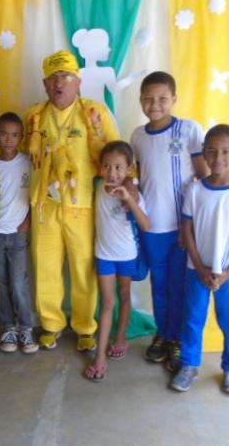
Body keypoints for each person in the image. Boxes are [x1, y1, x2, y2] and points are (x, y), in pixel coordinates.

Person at [23, 50, 120, 351]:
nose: (59, 84)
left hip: (82, 205)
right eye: (52, 79)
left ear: (78, 82)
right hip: (44, 205)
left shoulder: (95, 114)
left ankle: (85, 327)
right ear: (44, 84)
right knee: (46, 267)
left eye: (65, 77)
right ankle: (51, 324)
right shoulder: (34, 116)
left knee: (83, 268)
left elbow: (116, 154)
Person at [130, 71, 210, 371]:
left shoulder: (189, 130)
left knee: (180, 285)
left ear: (174, 100)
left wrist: (193, 225)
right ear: (140, 101)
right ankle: (162, 335)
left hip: (181, 228)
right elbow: (137, 179)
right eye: (148, 99)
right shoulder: (137, 136)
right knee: (159, 284)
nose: (155, 104)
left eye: (163, 98)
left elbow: (203, 179)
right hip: (152, 227)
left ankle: (178, 339)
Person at [170, 124, 229, 393]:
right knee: (193, 318)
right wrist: (199, 266)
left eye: (225, 152)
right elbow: (187, 229)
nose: (218, 158)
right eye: (211, 152)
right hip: (196, 269)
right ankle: (189, 364)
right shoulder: (196, 190)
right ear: (204, 154)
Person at [84, 141, 150, 381]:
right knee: (108, 303)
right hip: (104, 256)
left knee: (124, 296)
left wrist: (129, 197)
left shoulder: (133, 193)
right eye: (107, 167)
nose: (112, 173)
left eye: (119, 168)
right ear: (100, 168)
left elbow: (146, 225)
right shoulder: (98, 186)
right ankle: (100, 355)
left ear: (129, 169)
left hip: (127, 256)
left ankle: (121, 336)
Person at [0, 112, 38, 354]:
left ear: (21, 137)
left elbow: (36, 195)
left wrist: (28, 221)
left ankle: (26, 328)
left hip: (17, 234)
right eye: (3, 134)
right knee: (2, 283)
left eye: (14, 135)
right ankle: (8, 328)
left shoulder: (28, 162)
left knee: (18, 283)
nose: (8, 140)